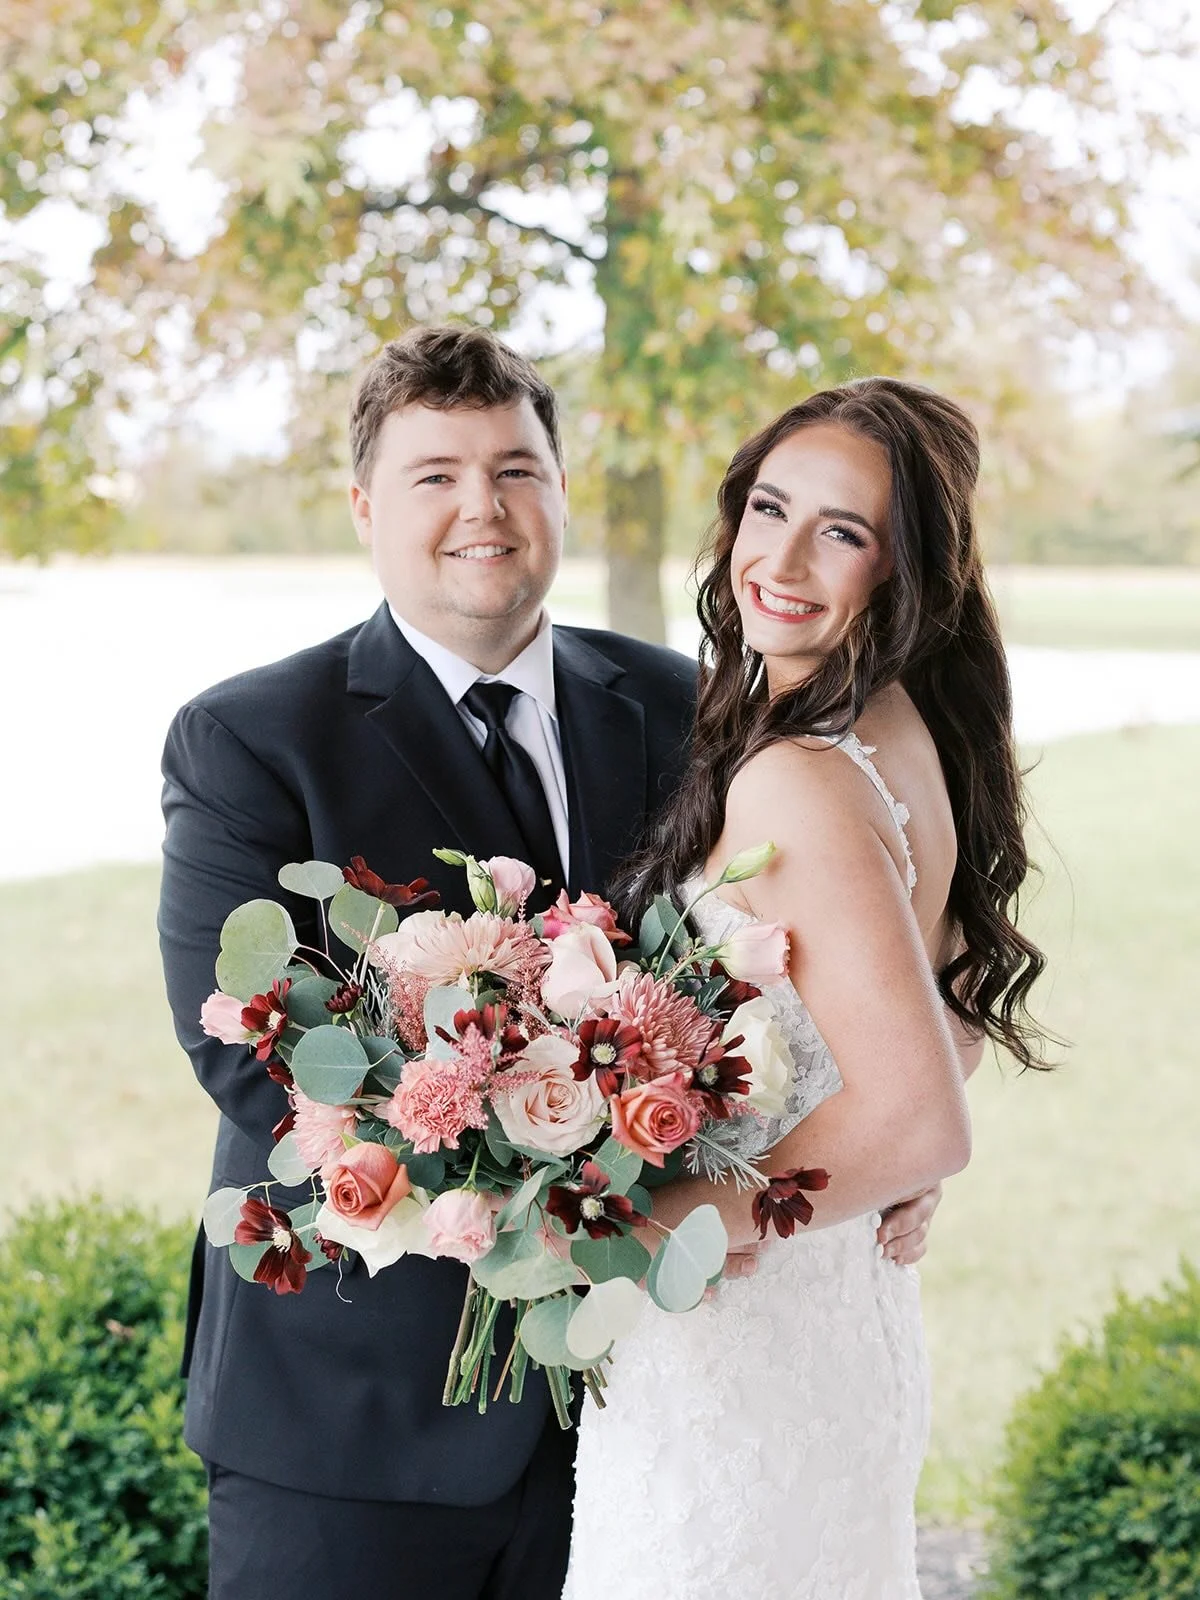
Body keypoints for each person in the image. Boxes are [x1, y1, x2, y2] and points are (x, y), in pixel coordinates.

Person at [157, 325, 700, 1600]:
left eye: (517, 468)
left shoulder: (684, 708)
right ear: (363, 506)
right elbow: (252, 1053)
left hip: (631, 1416)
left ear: (561, 490)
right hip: (348, 1420)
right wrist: (526, 1153)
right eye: (435, 474)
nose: (483, 508)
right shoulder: (251, 738)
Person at [564, 378, 1047, 1600]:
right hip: (830, 1321)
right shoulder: (898, 729)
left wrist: (663, 1215)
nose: (777, 559)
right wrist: (881, 1158)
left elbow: (925, 1115)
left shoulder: (800, 777)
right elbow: (937, 1029)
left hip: (746, 1347)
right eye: (766, 508)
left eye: (840, 531)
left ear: (904, 570)